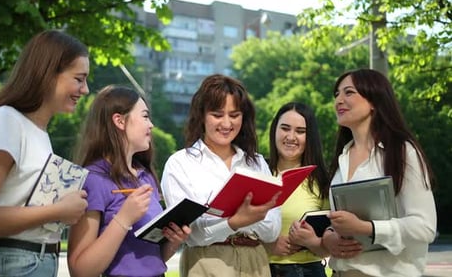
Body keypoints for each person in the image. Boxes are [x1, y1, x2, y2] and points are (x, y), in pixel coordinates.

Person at [0, 29, 89, 276]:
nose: (85, 89)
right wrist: (57, 211)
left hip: (31, 263)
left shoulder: (38, 133)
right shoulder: (4, 121)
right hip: (8, 264)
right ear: (48, 74)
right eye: (79, 79)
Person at [160, 74, 282, 277]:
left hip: (256, 261)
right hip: (206, 262)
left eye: (234, 115)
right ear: (201, 115)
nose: (226, 124)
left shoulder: (257, 162)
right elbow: (192, 234)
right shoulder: (180, 164)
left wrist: (245, 218)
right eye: (217, 115)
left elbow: (272, 230)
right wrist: (234, 222)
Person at [322, 69, 437, 277]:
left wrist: (367, 228)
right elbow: (340, 219)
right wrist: (330, 237)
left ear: (374, 100)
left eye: (349, 93)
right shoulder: (342, 157)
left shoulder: (403, 152)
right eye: (336, 94)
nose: (339, 100)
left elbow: (425, 227)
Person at [67, 85, 191, 277]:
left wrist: (174, 240)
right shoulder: (93, 179)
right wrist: (123, 219)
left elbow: (153, 259)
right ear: (119, 121)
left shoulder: (145, 176)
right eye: (144, 116)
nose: (151, 125)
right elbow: (80, 270)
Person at [266, 102, 331, 277]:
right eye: (285, 128)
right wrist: (269, 245)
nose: (291, 137)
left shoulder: (322, 179)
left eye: (300, 131)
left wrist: (312, 241)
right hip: (259, 269)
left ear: (309, 137)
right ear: (274, 131)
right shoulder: (257, 172)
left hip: (307, 271)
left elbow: (331, 243)